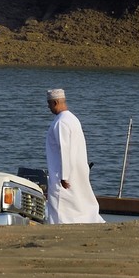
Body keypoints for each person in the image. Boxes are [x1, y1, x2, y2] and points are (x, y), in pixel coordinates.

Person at [45, 88, 104, 224]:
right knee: (79, 200)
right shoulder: (72, 119)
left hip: (63, 172)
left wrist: (64, 176)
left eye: (49, 104)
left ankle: (60, 225)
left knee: (60, 203)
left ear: (55, 102)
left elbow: (65, 150)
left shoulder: (61, 122)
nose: (48, 108)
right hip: (77, 168)